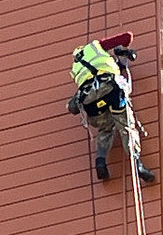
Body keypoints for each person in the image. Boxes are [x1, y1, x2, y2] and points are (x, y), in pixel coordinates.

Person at [66, 32, 154, 183]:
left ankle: (100, 161)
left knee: (105, 128)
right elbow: (127, 36)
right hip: (111, 92)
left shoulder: (76, 67)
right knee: (126, 126)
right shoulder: (96, 46)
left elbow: (93, 78)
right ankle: (137, 164)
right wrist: (126, 49)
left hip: (90, 102)